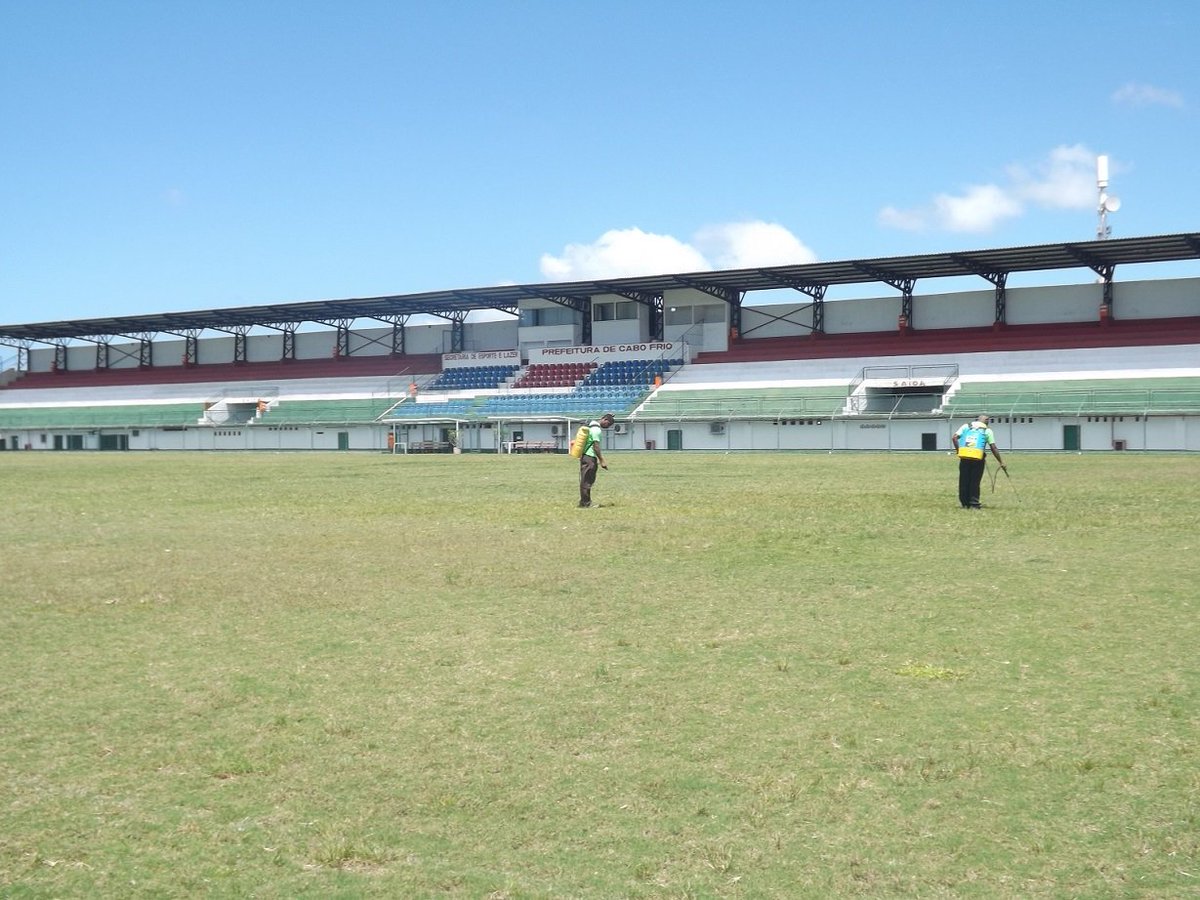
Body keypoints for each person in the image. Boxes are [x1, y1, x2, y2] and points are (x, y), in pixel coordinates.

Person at [952, 414, 1005, 509]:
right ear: (987, 421)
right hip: (978, 459)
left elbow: (954, 437)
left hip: (964, 457)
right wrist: (1001, 462)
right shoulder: (987, 430)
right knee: (975, 482)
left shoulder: (966, 426)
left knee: (963, 480)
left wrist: (958, 451)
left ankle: (964, 503)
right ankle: (974, 503)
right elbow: (993, 447)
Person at [579, 412, 614, 508]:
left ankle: (584, 502)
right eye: (608, 424)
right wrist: (602, 460)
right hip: (589, 457)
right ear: (604, 420)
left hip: (586, 456)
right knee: (587, 480)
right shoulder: (596, 430)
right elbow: (596, 447)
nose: (608, 426)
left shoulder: (592, 426)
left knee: (587, 479)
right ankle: (585, 503)